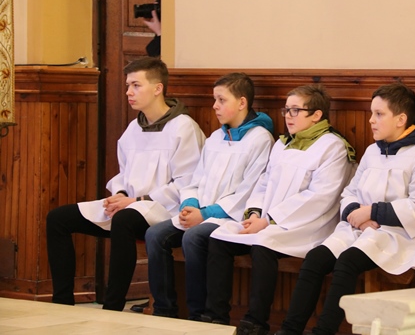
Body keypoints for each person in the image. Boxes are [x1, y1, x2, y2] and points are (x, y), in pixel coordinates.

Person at [276, 82, 415, 335]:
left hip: (398, 234)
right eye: (371, 113)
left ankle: (323, 332)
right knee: (315, 259)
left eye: (379, 114)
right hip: (359, 227)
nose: (371, 120)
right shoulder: (372, 151)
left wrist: (372, 212)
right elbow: (349, 192)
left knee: (347, 262)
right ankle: (289, 330)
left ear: (401, 119)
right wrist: (360, 216)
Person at [46, 57, 205, 311]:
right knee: (58, 219)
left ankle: (113, 306)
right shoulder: (134, 127)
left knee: (123, 220)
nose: (129, 92)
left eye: (136, 85)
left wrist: (136, 201)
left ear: (158, 88)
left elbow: (187, 183)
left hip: (164, 209)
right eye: (128, 85)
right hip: (129, 203)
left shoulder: (183, 128)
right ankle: (62, 302)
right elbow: (124, 172)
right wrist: (119, 193)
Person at [202, 84, 357, 335]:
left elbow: (319, 197)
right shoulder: (282, 143)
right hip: (266, 220)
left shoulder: (332, 146)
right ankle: (215, 316)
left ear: (316, 115)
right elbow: (264, 182)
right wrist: (254, 212)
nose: (288, 116)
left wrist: (269, 220)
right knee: (219, 239)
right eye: (286, 110)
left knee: (263, 245)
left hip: (306, 226)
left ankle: (256, 321)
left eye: (295, 110)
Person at [145, 72, 275, 319]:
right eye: (215, 99)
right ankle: (164, 309)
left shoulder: (260, 139)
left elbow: (248, 192)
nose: (215, 105)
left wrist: (204, 214)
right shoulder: (216, 137)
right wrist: (189, 204)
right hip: (200, 211)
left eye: (221, 100)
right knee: (155, 235)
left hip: (228, 217)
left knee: (193, 238)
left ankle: (199, 314)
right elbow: (196, 179)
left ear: (242, 102)